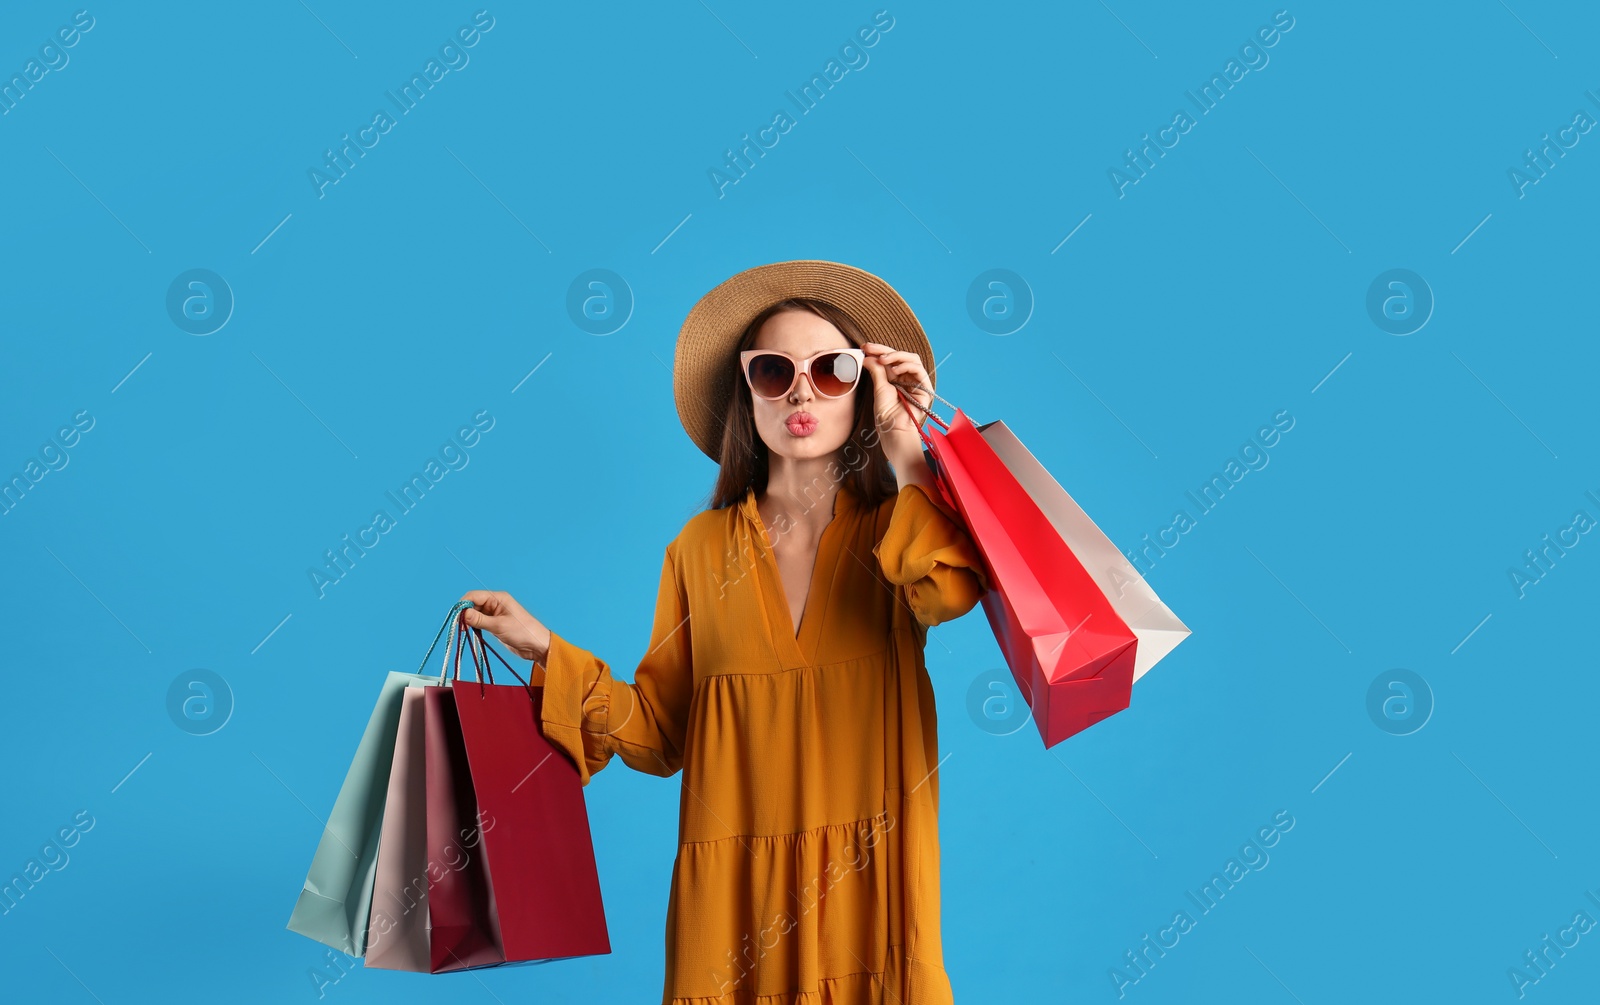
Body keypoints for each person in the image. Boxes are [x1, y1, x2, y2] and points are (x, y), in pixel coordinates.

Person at [461, 260, 989, 1004]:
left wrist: (907, 448)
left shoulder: (894, 528)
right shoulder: (700, 551)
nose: (802, 389)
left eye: (833, 369)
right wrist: (546, 647)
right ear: (748, 391)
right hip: (735, 914)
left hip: (875, 892)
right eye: (774, 370)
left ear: (867, 388)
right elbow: (659, 731)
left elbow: (950, 591)